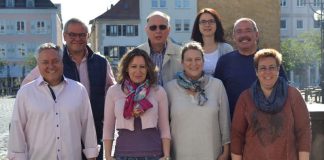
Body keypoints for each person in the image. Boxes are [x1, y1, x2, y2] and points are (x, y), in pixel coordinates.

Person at [21, 18, 116, 160]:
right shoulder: (55, 61)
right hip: (64, 131)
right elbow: (27, 87)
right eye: (72, 35)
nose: (77, 38)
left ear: (88, 36)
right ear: (65, 36)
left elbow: (112, 91)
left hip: (95, 130)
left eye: (82, 34)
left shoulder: (101, 62)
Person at [7, 43, 99, 160]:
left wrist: (92, 155)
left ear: (62, 62)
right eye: (45, 62)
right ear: (38, 65)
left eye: (55, 61)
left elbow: (88, 126)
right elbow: (17, 129)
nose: (51, 66)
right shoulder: (25, 92)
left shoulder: (79, 90)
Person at [231, 48, 311, 160]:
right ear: (256, 72)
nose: (267, 72)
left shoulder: (293, 95)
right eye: (262, 68)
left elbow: (303, 131)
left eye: (272, 67)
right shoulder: (245, 98)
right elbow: (237, 134)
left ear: (278, 69)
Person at [165, 41, 230, 160]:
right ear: (182, 63)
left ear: (203, 61)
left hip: (212, 154)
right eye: (189, 60)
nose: (193, 63)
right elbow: (164, 127)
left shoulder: (217, 85)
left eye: (197, 59)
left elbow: (225, 121)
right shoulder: (170, 88)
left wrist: (226, 152)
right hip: (180, 154)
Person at [103, 48, 171, 160]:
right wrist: (107, 156)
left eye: (142, 67)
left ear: (148, 69)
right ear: (126, 69)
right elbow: (108, 127)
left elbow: (164, 127)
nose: (138, 71)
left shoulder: (158, 92)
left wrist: (166, 155)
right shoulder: (113, 91)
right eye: (133, 66)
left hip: (154, 155)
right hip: (122, 155)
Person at [213, 18, 287, 118]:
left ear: (256, 35)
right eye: (239, 31)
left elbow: (284, 90)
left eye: (248, 30)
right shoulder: (224, 62)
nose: (244, 35)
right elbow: (216, 95)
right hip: (234, 123)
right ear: (234, 37)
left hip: (266, 123)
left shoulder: (270, 60)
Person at [137, 11, 182, 86]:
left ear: (169, 29)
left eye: (162, 27)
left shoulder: (181, 53)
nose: (158, 31)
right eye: (153, 28)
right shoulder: (137, 53)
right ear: (146, 30)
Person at [191, 8, 233, 75]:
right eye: (203, 22)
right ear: (198, 25)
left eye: (211, 21)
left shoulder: (227, 49)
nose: (207, 25)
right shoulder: (191, 50)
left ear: (217, 24)